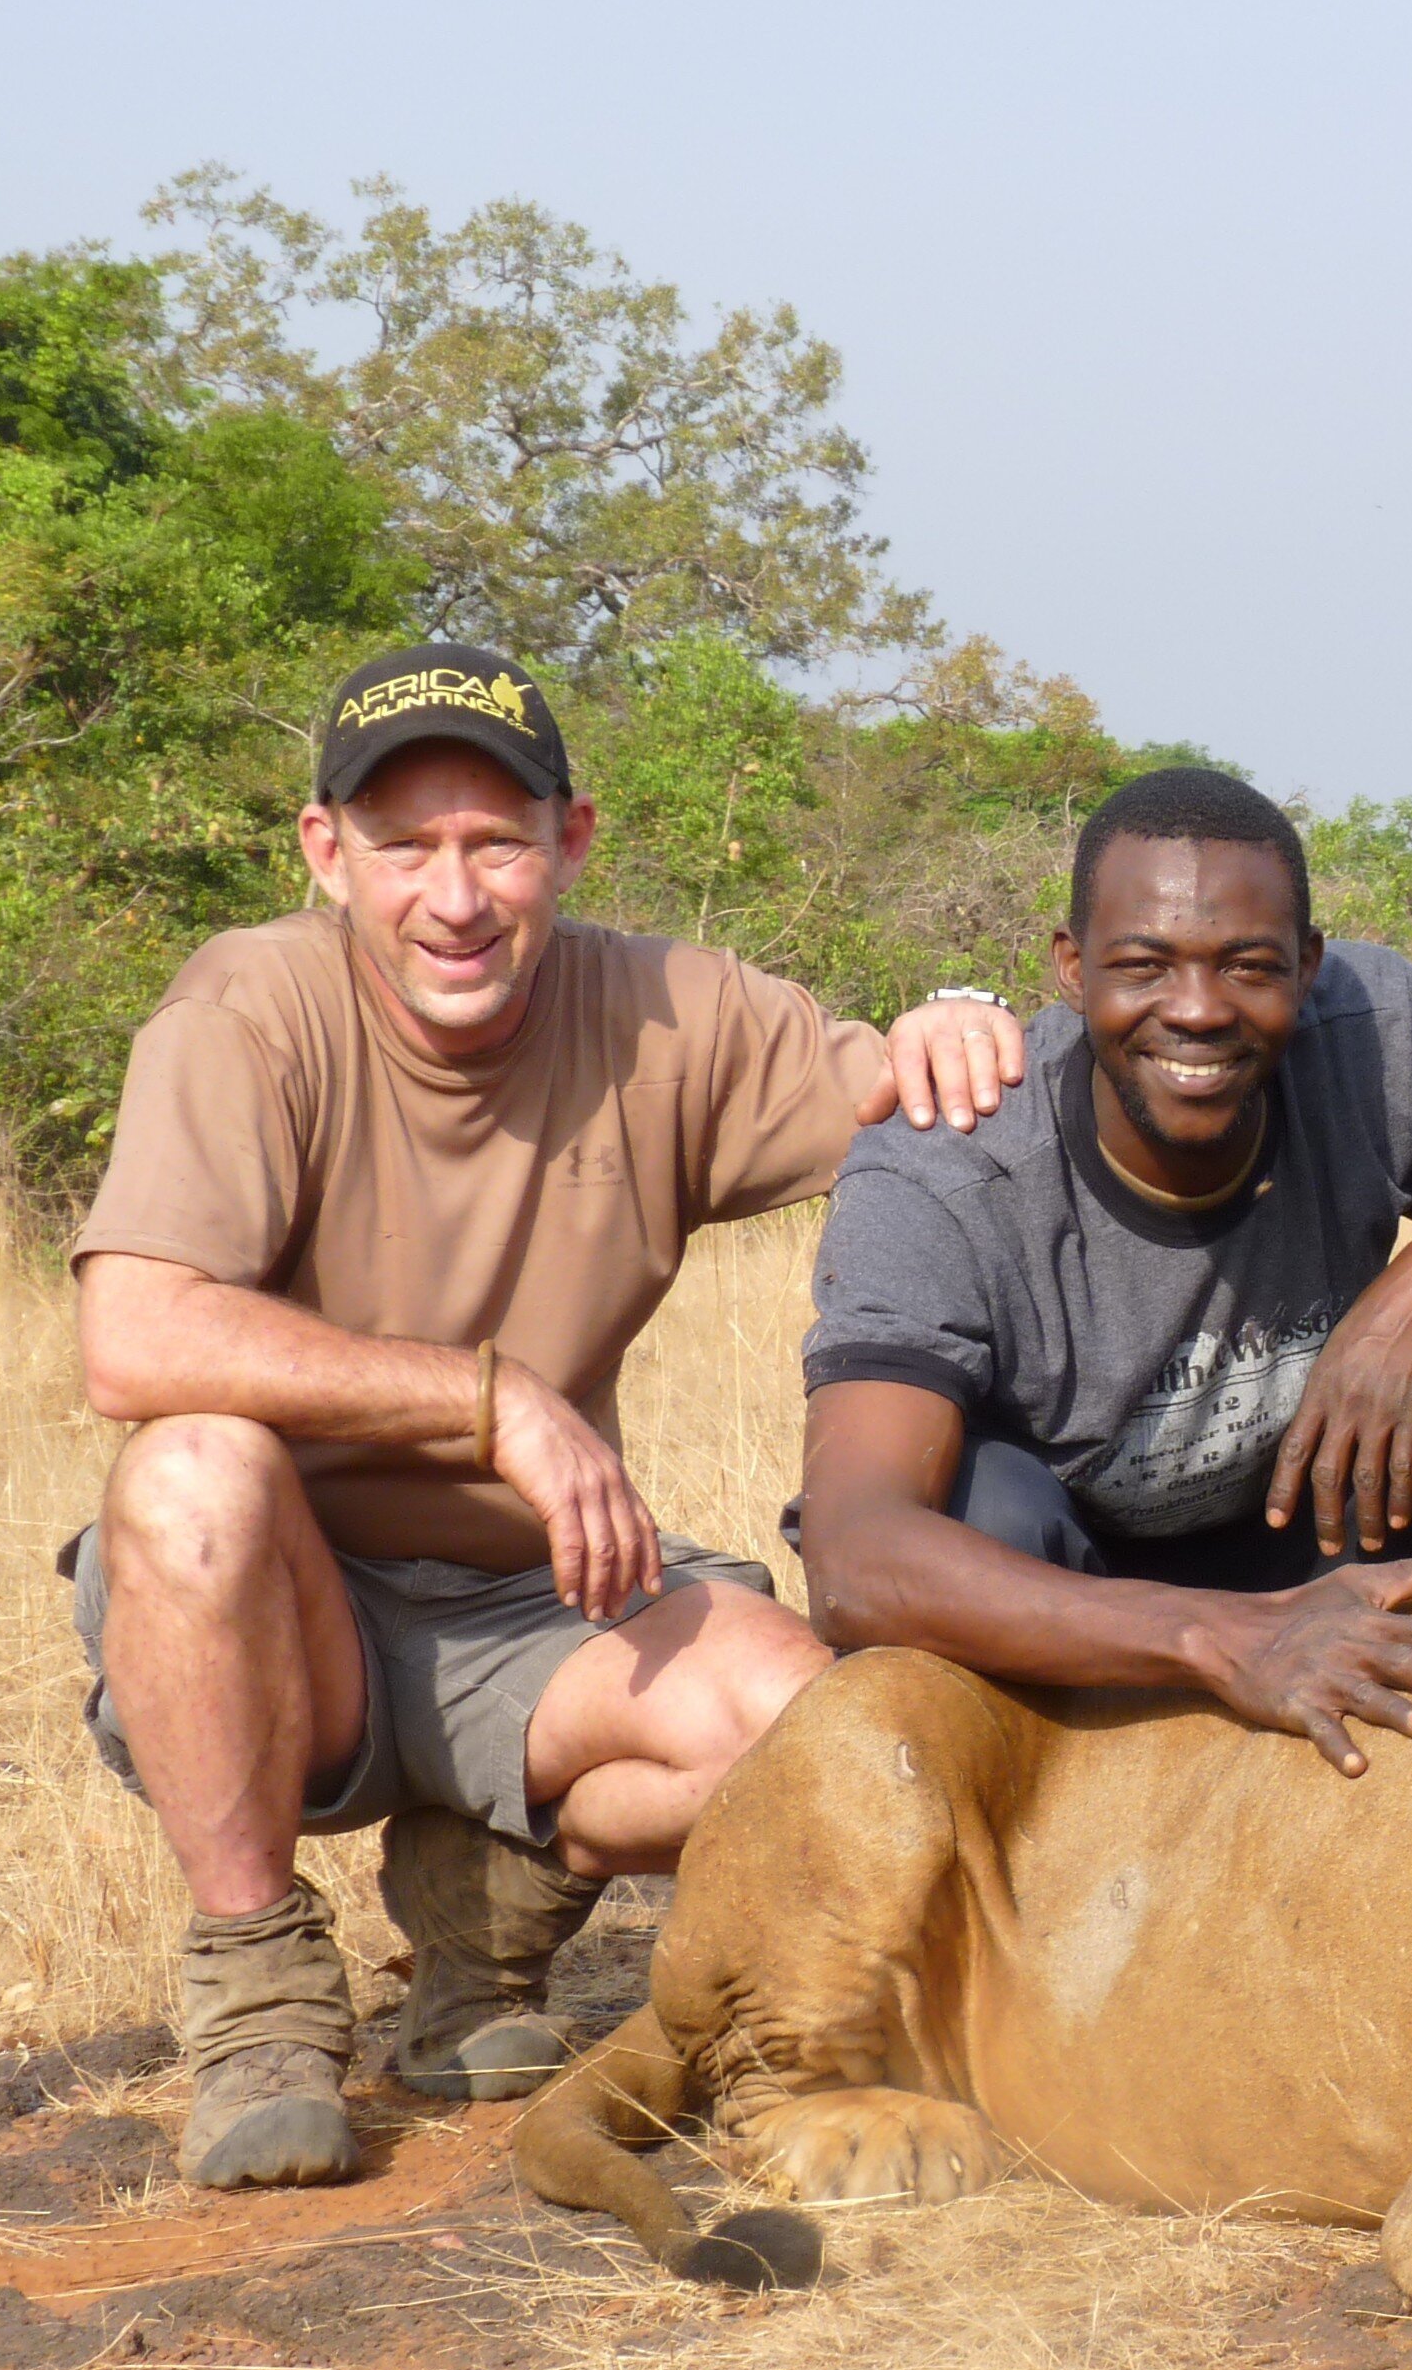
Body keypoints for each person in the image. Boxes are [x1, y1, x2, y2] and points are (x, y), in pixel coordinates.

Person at [68, 645, 1028, 2190]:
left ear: (572, 840)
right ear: (328, 853)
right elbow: (130, 1335)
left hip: (537, 1601)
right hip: (285, 1609)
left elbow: (926, 1100)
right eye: (407, 847)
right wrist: (489, 1398)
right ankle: (255, 1986)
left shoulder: (671, 1011)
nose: (456, 896)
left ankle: (489, 1899)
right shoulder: (247, 1006)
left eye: (498, 842)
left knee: (818, 1730)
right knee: (189, 1473)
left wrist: (967, 1015)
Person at [794, 765, 1412, 1775]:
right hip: (1084, 1585)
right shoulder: (948, 1160)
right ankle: (1055, 1823)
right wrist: (1224, 1637)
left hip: (1337, 1519)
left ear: (1308, 964)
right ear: (1072, 968)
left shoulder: (1381, 1032)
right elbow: (856, 1559)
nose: (1198, 1010)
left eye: (1249, 966)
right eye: (1146, 966)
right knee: (979, 1499)